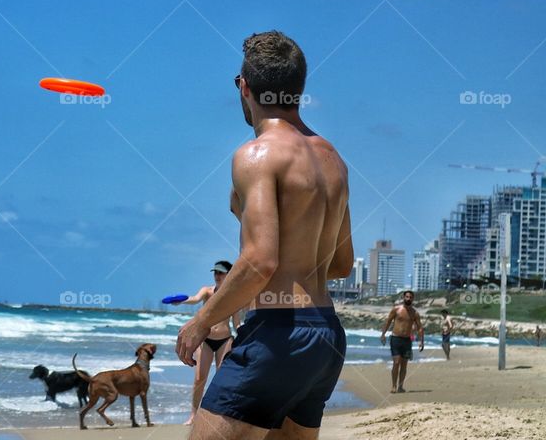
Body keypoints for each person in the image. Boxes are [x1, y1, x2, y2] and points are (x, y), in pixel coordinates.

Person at [176, 30, 353, 440]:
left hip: (278, 333)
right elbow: (341, 264)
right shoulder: (333, 160)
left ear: (245, 86)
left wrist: (201, 322)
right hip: (325, 335)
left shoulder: (256, 154)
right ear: (298, 89)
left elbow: (260, 260)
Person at [180, 260, 243, 425]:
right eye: (215, 272)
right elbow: (195, 299)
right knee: (200, 378)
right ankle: (194, 414)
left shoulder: (234, 295)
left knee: (222, 378)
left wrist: (244, 336)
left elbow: (236, 323)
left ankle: (218, 413)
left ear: (229, 274)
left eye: (221, 272)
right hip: (206, 340)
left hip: (225, 340)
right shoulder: (207, 291)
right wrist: (181, 300)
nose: (217, 275)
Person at [380, 290, 424, 393]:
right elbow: (388, 321)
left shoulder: (415, 313)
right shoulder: (396, 309)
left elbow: (420, 328)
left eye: (410, 297)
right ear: (404, 298)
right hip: (395, 339)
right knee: (396, 362)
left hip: (407, 340)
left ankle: (400, 386)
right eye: (407, 297)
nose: (408, 299)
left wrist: (421, 341)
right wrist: (383, 334)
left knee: (404, 364)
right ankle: (394, 386)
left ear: (413, 299)